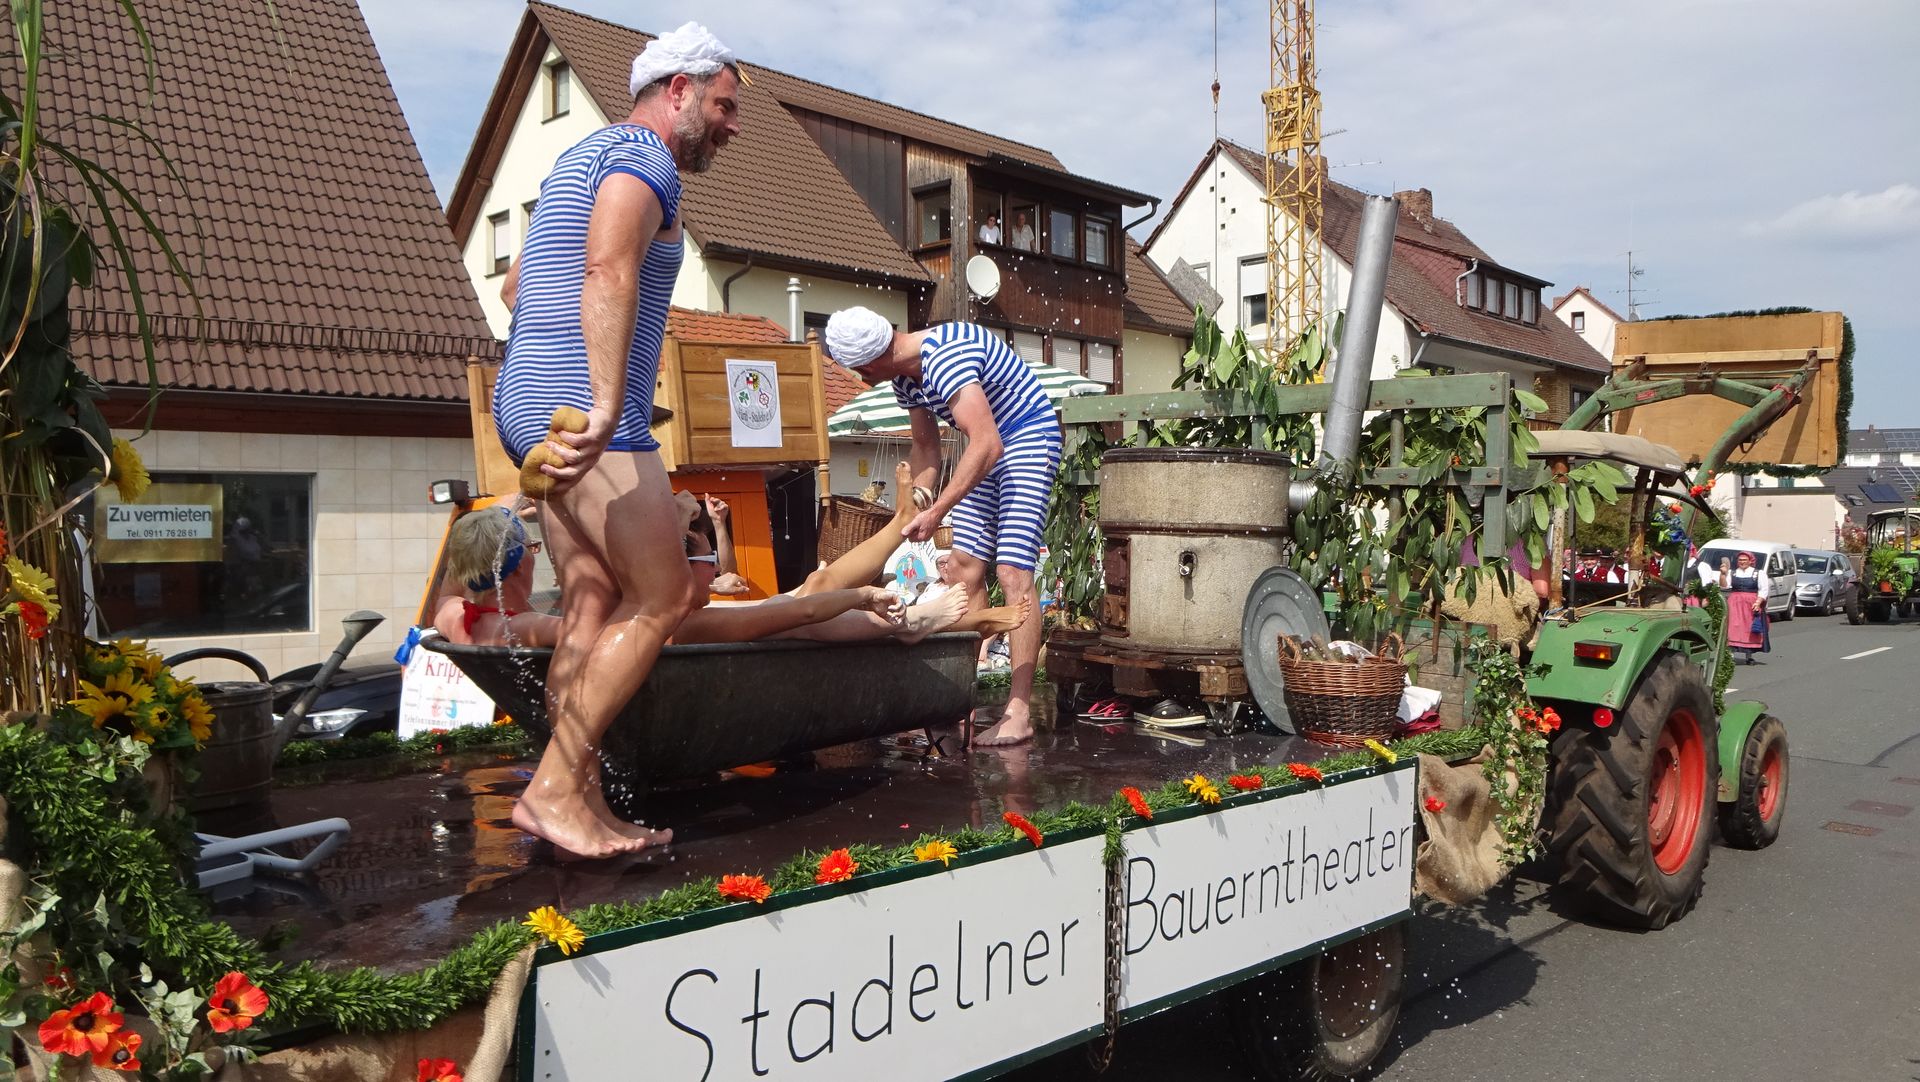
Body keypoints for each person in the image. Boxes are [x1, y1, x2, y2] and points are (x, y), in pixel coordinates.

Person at [485, 22, 745, 858]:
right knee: (663, 595)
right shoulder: (646, 158)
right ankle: (555, 788)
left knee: (591, 598)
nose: (732, 125)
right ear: (679, 90)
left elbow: (519, 285)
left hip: (525, 399)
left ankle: (581, 800)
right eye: (724, 105)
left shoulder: (579, 158)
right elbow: (607, 268)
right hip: (582, 409)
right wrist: (603, 402)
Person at [824, 308, 1060, 746]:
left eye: (858, 373)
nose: (861, 380)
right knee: (964, 567)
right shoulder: (905, 377)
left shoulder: (943, 357)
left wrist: (937, 513)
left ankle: (1019, 711)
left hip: (1028, 436)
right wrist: (916, 504)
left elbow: (988, 443)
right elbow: (926, 448)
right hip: (986, 444)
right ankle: (957, 702)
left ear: (868, 365)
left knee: (1012, 570)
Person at [433, 506, 561, 648]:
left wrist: (480, 529)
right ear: (519, 564)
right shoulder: (528, 626)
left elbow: (446, 597)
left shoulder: (455, 619)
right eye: (531, 548)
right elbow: (579, 631)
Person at [1714, 551, 1771, 663]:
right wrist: (1723, 574)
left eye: (1745, 560)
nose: (1742, 562)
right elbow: (1724, 586)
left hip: (1751, 603)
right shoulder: (1733, 573)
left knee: (1749, 628)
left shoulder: (1758, 573)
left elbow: (1764, 590)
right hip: (1734, 603)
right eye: (1740, 560)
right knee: (1733, 626)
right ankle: (1730, 654)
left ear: (1750, 561)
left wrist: (1758, 602)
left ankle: (1749, 655)